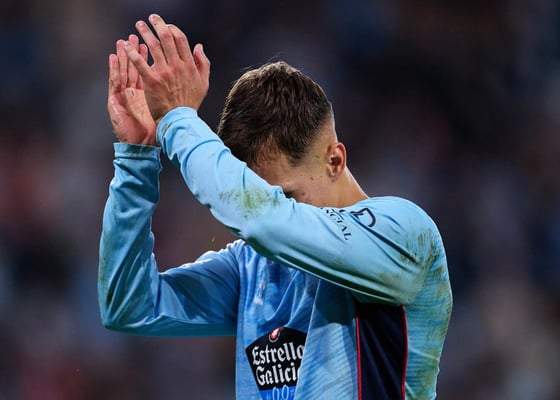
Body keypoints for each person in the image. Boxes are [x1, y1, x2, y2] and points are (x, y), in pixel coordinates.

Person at [99, 14, 452, 400]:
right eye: (256, 191)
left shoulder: (402, 234)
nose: (270, 208)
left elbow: (261, 220)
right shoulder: (252, 266)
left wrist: (178, 120)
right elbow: (129, 306)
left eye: (285, 196)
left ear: (334, 160)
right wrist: (136, 162)